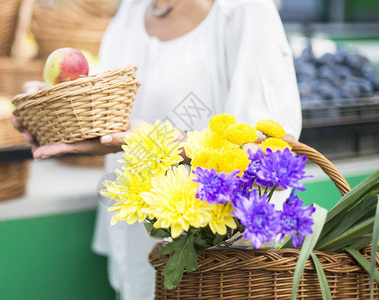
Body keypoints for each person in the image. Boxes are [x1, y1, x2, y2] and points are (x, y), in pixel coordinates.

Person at [16, 0, 302, 299]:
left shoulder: (244, 10)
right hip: (134, 240)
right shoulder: (132, 8)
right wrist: (65, 100)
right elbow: (116, 108)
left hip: (211, 259)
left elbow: (274, 147)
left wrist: (159, 141)